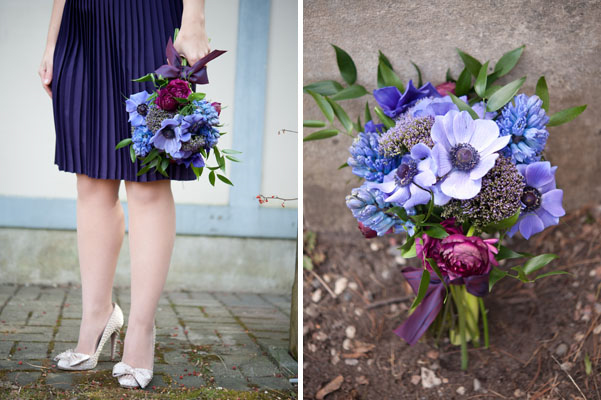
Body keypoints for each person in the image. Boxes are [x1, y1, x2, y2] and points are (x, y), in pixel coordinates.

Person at [38, 0, 210, 389]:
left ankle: (141, 331)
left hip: (150, 17)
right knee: (91, 179)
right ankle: (96, 318)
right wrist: (52, 40)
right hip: (82, 24)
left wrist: (194, 18)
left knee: (147, 179)